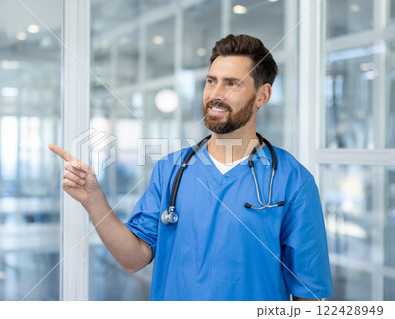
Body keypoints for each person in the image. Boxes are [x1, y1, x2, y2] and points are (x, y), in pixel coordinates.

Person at [49, 34, 334, 301]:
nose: (215, 94)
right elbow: (133, 259)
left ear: (262, 95)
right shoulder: (171, 170)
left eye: (232, 84)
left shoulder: (292, 180)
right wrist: (94, 200)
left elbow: (309, 294)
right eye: (211, 81)